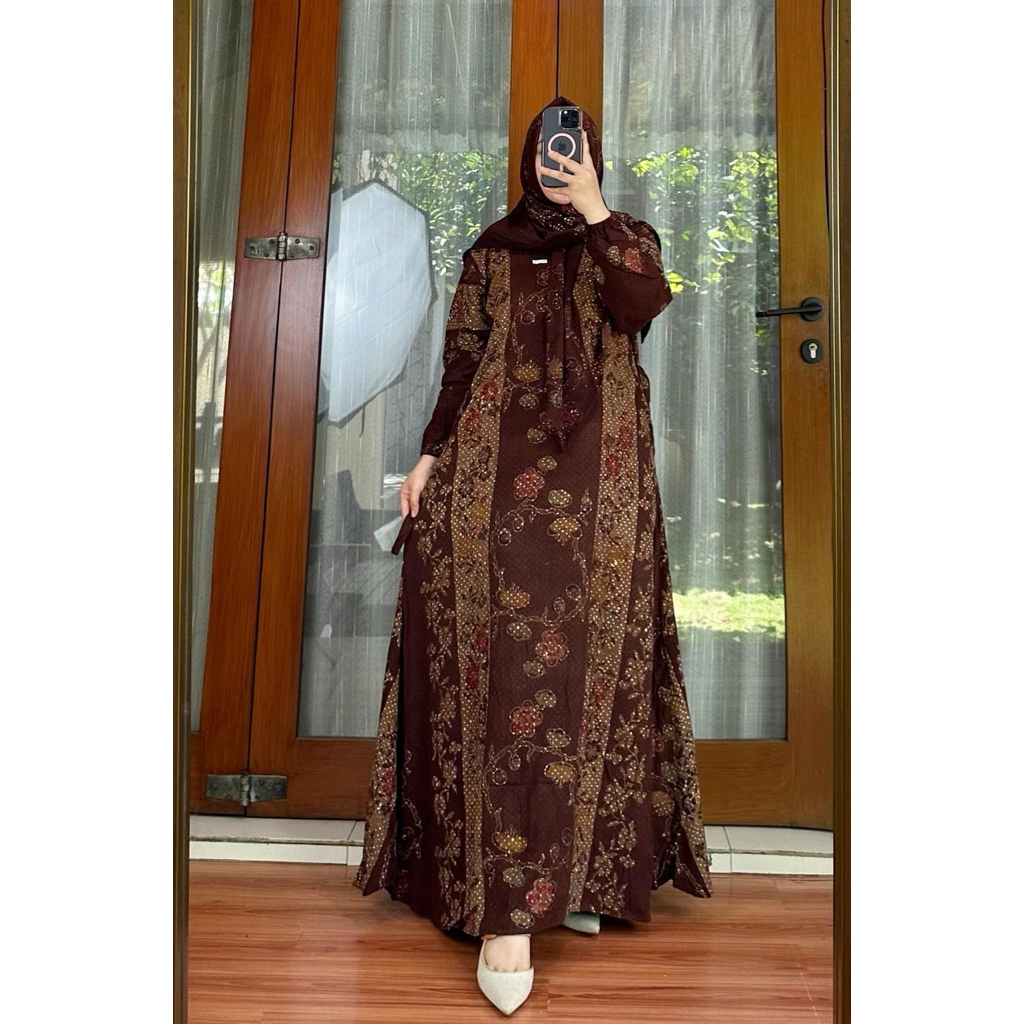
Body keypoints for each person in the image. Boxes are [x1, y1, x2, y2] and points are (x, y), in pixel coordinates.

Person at [353, 96, 713, 1016]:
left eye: (575, 147)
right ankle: (503, 907)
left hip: (601, 488)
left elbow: (641, 306)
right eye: (551, 150)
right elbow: (461, 365)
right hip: (488, 485)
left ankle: (578, 879)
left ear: (591, 155)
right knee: (497, 676)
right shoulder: (489, 253)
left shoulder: (625, 239)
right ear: (528, 156)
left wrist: (594, 210)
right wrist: (428, 460)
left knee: (593, 670)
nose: (560, 160)